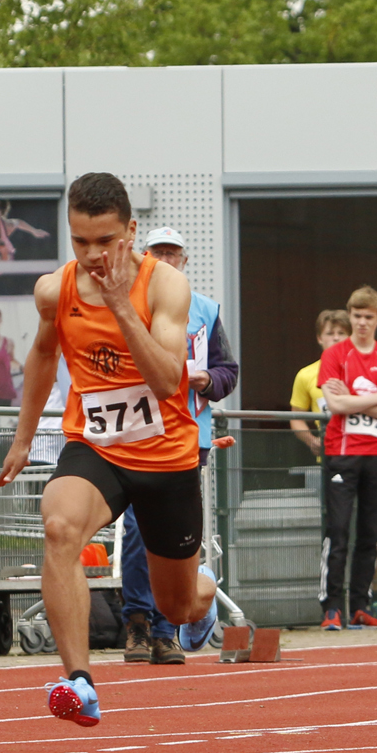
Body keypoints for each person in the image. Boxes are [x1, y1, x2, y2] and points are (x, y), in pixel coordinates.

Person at [0, 173, 211, 726]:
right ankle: (79, 683)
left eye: (105, 241)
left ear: (131, 231)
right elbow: (43, 356)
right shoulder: (56, 289)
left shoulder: (165, 287)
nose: (92, 255)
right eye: (79, 241)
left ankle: (204, 590)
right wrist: (23, 439)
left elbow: (167, 382)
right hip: (98, 448)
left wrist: (119, 306)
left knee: (176, 607)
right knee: (60, 527)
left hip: (166, 458)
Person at [119, 227, 237, 665]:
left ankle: (166, 631)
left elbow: (228, 369)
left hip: (189, 436)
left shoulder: (204, 309)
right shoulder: (127, 305)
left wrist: (208, 379)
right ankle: (136, 623)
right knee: (135, 532)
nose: (167, 261)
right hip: (136, 434)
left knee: (175, 539)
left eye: (174, 254)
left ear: (185, 261)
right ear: (144, 258)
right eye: (158, 254)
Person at [318, 286, 377, 631]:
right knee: (338, 531)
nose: (361, 323)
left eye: (368, 317)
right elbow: (336, 405)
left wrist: (360, 396)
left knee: (370, 535)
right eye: (356, 316)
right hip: (342, 454)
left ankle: (360, 605)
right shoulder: (336, 355)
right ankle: (331, 608)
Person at [289, 310, 350, 458]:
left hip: (365, 451)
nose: (336, 338)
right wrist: (312, 441)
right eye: (330, 333)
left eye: (341, 333)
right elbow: (296, 418)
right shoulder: (306, 375)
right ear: (319, 338)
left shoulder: (365, 369)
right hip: (330, 455)